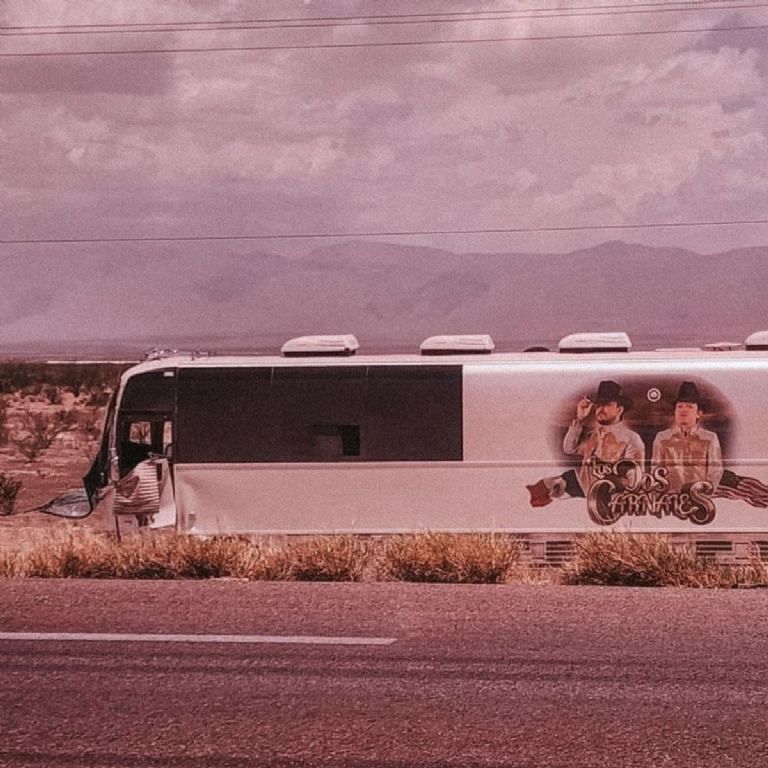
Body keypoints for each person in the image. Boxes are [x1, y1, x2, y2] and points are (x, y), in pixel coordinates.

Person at [561, 380, 645, 496]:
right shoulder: (593, 435)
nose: (601, 409)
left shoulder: (631, 438)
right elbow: (569, 448)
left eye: (607, 404)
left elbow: (634, 481)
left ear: (619, 410)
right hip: (584, 501)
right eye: (599, 405)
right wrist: (579, 419)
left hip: (610, 503)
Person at [651, 381, 723, 493]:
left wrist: (705, 495)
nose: (684, 410)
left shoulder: (710, 438)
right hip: (670, 501)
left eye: (689, 406)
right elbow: (656, 470)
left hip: (699, 499)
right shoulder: (662, 438)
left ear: (699, 413)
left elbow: (715, 471)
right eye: (679, 406)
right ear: (675, 412)